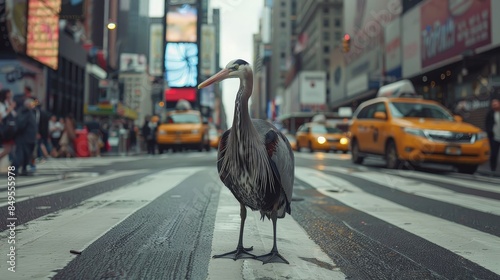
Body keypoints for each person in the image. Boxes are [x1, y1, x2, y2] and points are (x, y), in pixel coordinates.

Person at [13, 98, 37, 176]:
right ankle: (13, 170)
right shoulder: (24, 111)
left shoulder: (29, 112)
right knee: (20, 155)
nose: (33, 105)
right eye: (32, 104)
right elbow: (21, 124)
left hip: (29, 137)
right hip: (23, 137)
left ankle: (24, 169)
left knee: (26, 155)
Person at [0, 89, 17, 161]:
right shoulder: (1, 104)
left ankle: (13, 167)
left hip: (11, 130)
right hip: (6, 130)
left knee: (10, 149)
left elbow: (15, 115)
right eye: (9, 93)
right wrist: (10, 108)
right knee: (8, 149)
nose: (11, 94)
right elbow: (2, 116)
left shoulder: (9, 103)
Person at [485, 97, 500, 172]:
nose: (494, 105)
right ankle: (493, 169)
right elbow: (487, 124)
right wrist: (489, 133)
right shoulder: (490, 113)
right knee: (494, 154)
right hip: (494, 137)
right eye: (493, 104)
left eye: (496, 103)